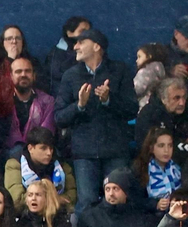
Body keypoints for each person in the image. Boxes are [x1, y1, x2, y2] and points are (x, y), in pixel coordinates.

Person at [54, 28, 138, 212]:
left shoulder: (119, 70)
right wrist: (79, 105)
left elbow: (132, 109)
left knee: (119, 201)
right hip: (85, 153)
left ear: (97, 46)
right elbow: (59, 117)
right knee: (87, 203)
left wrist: (109, 100)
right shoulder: (70, 75)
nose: (75, 46)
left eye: (81, 42)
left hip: (116, 150)